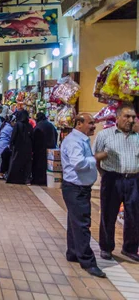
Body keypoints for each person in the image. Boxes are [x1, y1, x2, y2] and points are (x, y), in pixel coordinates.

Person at [61, 113, 107, 278]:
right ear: (79, 123)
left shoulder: (80, 139)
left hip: (77, 188)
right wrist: (96, 158)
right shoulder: (74, 141)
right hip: (76, 189)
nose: (94, 126)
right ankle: (88, 262)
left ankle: (73, 252)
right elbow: (79, 163)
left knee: (74, 221)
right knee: (82, 224)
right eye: (91, 123)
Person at [95, 104, 139, 262]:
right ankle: (106, 247)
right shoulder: (105, 135)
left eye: (133, 117)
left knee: (134, 215)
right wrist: (105, 175)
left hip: (134, 179)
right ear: (118, 118)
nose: (131, 120)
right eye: (127, 117)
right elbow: (96, 158)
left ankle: (130, 248)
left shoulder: (137, 136)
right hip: (112, 179)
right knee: (108, 214)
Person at [6, 110, 34, 185]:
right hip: (28, 147)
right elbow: (32, 136)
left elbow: (14, 135)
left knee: (16, 162)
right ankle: (26, 179)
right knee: (27, 164)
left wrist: (11, 144)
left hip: (18, 146)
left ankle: (15, 179)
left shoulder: (17, 124)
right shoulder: (29, 125)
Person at [31, 112, 58, 186]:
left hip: (40, 149)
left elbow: (35, 138)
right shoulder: (50, 125)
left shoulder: (39, 126)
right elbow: (56, 134)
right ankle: (46, 180)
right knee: (47, 166)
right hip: (50, 148)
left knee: (39, 165)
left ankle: (38, 180)